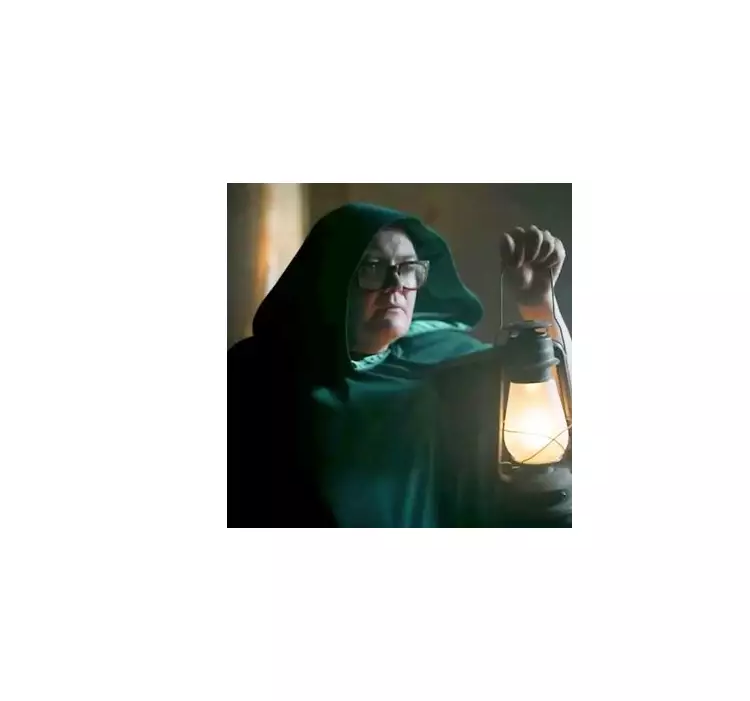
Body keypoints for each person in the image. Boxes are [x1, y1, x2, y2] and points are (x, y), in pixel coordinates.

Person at [228, 202, 571, 527]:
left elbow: (561, 400)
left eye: (408, 268)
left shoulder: (449, 359)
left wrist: (538, 303)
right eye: (372, 267)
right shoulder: (259, 374)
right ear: (330, 278)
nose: (396, 285)